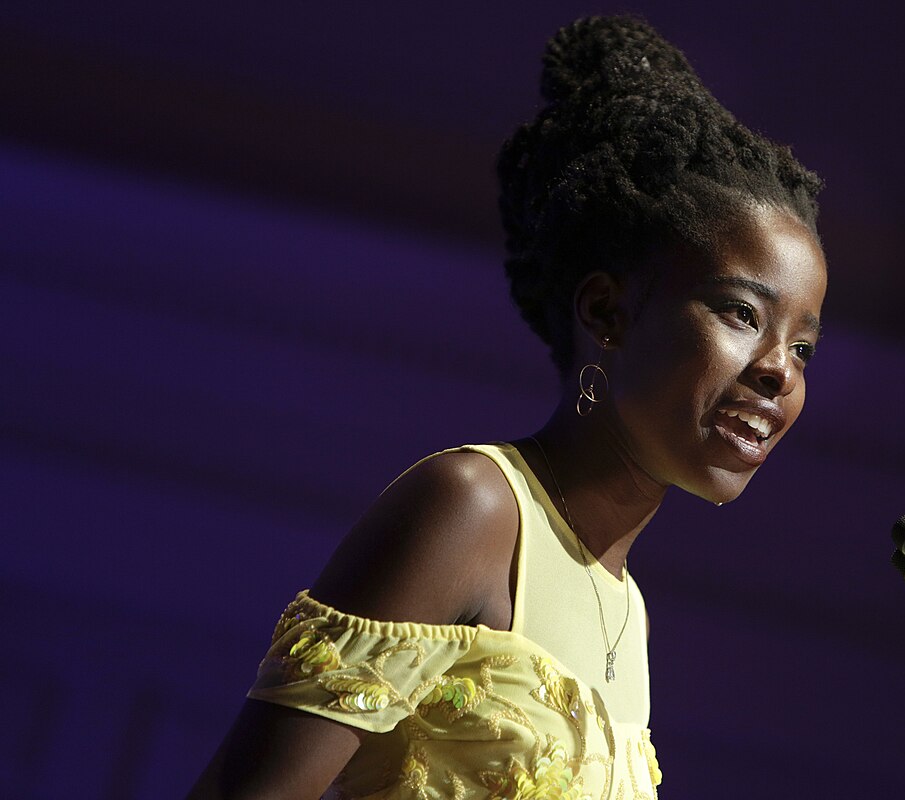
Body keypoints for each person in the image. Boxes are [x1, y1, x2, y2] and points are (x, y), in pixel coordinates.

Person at [190, 14, 827, 800]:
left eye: (804, 348)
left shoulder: (628, 611)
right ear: (607, 312)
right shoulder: (472, 507)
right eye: (742, 313)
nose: (779, 371)